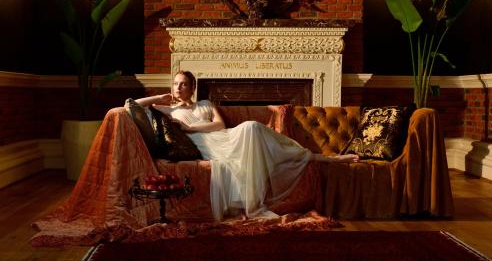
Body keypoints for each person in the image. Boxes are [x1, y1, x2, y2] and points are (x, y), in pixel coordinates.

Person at [136, 70, 359, 221]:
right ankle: (323, 158)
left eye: (183, 84)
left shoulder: (205, 103)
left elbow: (219, 125)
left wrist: (190, 128)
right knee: (255, 133)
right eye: (175, 84)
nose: (178, 87)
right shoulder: (169, 109)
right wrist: (159, 97)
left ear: (192, 87)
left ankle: (323, 157)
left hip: (225, 136)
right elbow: (130, 106)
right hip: (207, 147)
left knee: (252, 127)